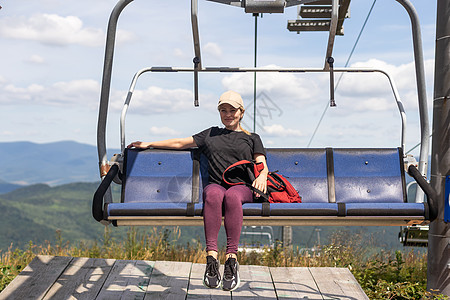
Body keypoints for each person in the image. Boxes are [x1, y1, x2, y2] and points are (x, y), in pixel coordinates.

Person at [127, 90, 268, 292]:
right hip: (216, 184)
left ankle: (231, 259)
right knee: (212, 194)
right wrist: (149, 143)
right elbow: (179, 143)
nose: (228, 114)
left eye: (232, 111)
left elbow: (261, 162)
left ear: (241, 112)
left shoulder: (252, 138)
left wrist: (262, 176)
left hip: (242, 187)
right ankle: (211, 259)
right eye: (223, 110)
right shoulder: (210, 134)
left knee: (232, 196)